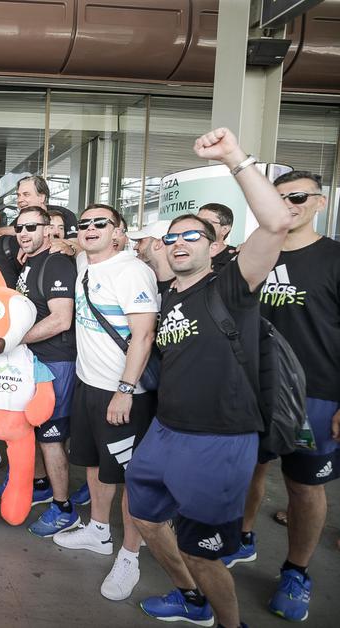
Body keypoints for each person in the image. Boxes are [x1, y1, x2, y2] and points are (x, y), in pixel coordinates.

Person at [127, 127, 292, 628]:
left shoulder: (233, 285)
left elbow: (277, 222)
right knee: (145, 517)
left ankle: (229, 623)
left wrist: (234, 158)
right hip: (166, 431)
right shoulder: (167, 294)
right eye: (171, 237)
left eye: (191, 236)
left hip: (220, 438)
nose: (178, 243)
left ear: (216, 245)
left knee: (202, 551)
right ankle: (190, 599)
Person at [223, 169, 339, 623]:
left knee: (304, 486)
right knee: (249, 469)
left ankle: (296, 572)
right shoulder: (251, 255)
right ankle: (243, 536)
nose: (287, 204)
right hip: (250, 387)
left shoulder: (333, 258)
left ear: (320, 202)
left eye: (297, 197)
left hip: (316, 394)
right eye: (278, 197)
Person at [52, 202, 158, 603]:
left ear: (119, 231)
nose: (91, 228)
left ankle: (130, 555)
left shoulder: (132, 271)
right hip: (88, 385)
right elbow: (68, 243)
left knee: (130, 478)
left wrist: (125, 390)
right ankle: (98, 531)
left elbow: (143, 336)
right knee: (95, 464)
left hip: (124, 393)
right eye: (85, 224)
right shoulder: (85, 263)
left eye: (101, 223)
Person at [8, 206, 80, 538]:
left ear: (48, 229)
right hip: (32, 360)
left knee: (51, 437)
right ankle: (41, 485)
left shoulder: (56, 263)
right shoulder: (30, 261)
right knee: (32, 429)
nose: (24, 233)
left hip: (55, 362)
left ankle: (64, 508)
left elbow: (61, 319)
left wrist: (15, 339)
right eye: (19, 228)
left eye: (31, 227)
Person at [127, 220, 173, 292]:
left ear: (158, 244)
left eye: (140, 241)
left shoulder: (183, 287)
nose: (135, 247)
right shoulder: (141, 281)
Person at [197, 203, 239, 270]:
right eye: (196, 221)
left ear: (224, 229)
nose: (198, 226)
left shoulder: (237, 258)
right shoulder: (187, 254)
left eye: (206, 222)